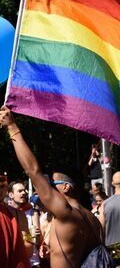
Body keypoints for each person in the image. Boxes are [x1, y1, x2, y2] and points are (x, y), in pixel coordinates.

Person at [0, 106, 106, 267]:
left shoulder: (66, 212)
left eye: (52, 184)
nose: (48, 188)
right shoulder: (93, 220)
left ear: (66, 187)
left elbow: (33, 171)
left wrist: (12, 127)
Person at [0, 172, 30, 267]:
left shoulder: (20, 215)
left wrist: (31, 238)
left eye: (2, 186)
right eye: (20, 191)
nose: (24, 193)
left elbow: (29, 248)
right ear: (10, 194)